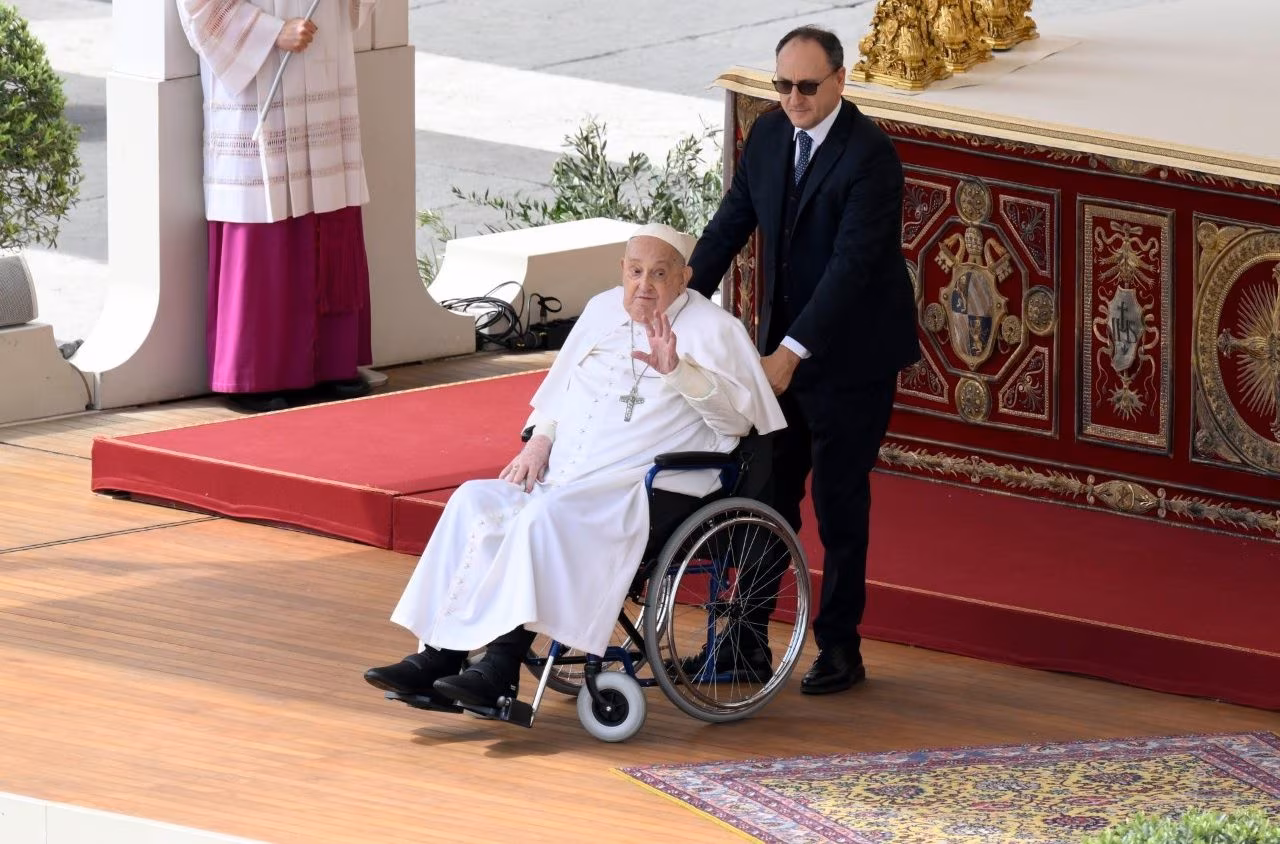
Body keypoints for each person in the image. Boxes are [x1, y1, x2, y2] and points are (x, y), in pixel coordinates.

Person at [364, 224, 787, 710]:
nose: (643, 285)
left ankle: (500, 668)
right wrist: (539, 441)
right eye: (635, 271)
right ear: (621, 272)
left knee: (544, 520)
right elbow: (559, 391)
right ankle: (440, 654)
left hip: (639, 490)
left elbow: (738, 422)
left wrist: (679, 372)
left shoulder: (716, 330)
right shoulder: (602, 309)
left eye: (659, 273)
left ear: (685, 278)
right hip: (561, 475)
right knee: (473, 502)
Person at [687, 26, 920, 695]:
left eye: (807, 87)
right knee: (764, 494)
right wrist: (676, 305)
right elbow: (730, 224)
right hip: (779, 357)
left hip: (851, 359)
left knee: (839, 503)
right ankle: (746, 640)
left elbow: (850, 271)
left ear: (840, 81)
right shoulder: (766, 135)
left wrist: (790, 355)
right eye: (782, 85)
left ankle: (841, 649)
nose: (792, 98)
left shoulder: (871, 157)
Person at [176, 0, 376, 413]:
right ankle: (257, 371)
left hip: (323, 49)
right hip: (259, 70)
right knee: (260, 209)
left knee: (329, 197)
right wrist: (268, 31)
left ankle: (331, 361)